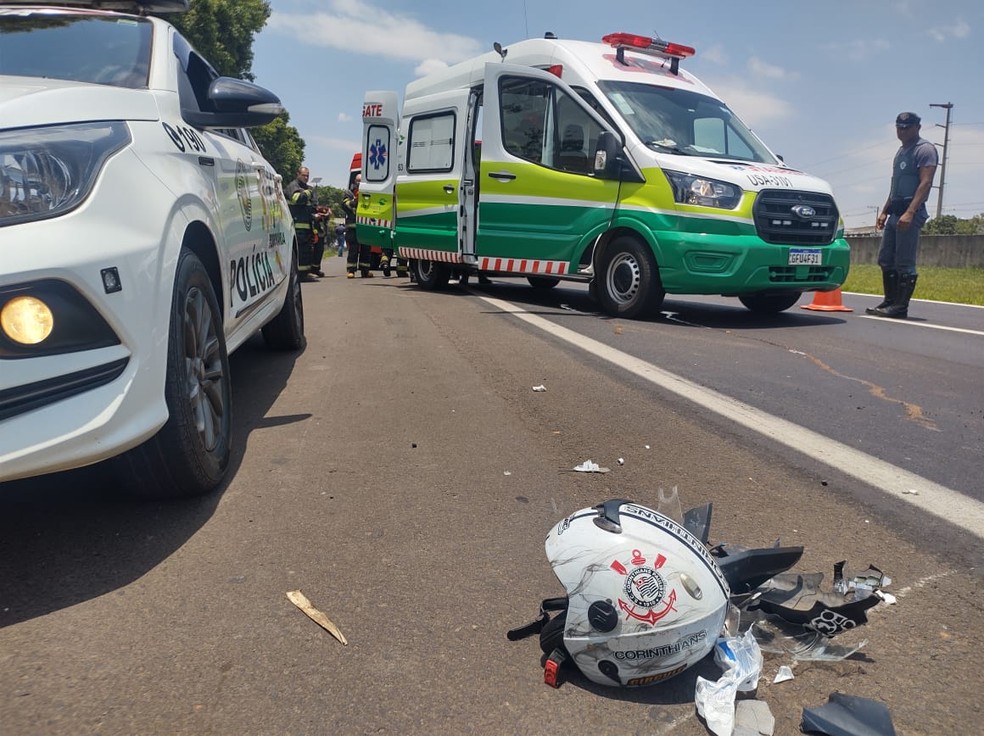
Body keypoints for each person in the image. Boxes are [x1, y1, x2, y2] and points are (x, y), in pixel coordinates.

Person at [867, 112, 938, 319]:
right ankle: (889, 301)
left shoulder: (924, 150)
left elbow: (925, 183)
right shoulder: (900, 152)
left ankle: (900, 307)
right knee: (885, 259)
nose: (902, 131)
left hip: (910, 211)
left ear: (918, 127)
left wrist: (910, 212)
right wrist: (884, 211)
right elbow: (895, 185)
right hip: (895, 211)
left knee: (904, 262)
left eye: (906, 127)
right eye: (899, 127)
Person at [284, 166, 324, 279]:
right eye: (304, 175)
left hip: (307, 226)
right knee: (300, 251)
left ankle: (305, 273)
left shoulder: (307, 188)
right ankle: (300, 275)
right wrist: (307, 193)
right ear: (298, 174)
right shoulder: (293, 186)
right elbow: (297, 199)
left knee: (306, 251)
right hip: (297, 226)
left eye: (307, 175)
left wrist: (319, 212)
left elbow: (311, 206)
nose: (306, 177)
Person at [342, 172, 372, 278]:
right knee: (353, 250)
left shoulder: (368, 193)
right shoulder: (349, 193)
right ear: (355, 181)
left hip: (365, 225)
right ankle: (351, 270)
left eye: (361, 181)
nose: (359, 183)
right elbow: (346, 206)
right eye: (358, 181)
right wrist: (356, 200)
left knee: (366, 249)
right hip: (353, 226)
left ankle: (365, 271)